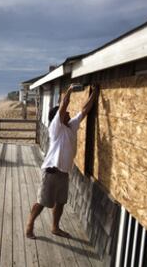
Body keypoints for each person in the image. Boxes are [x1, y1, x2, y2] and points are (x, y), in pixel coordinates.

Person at [25, 83, 99, 239]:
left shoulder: (71, 126)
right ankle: (30, 224)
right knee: (42, 201)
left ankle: (55, 228)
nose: (69, 113)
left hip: (64, 173)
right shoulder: (55, 128)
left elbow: (85, 110)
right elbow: (64, 106)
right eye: (65, 113)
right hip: (51, 171)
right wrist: (70, 90)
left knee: (60, 202)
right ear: (57, 118)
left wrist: (95, 92)